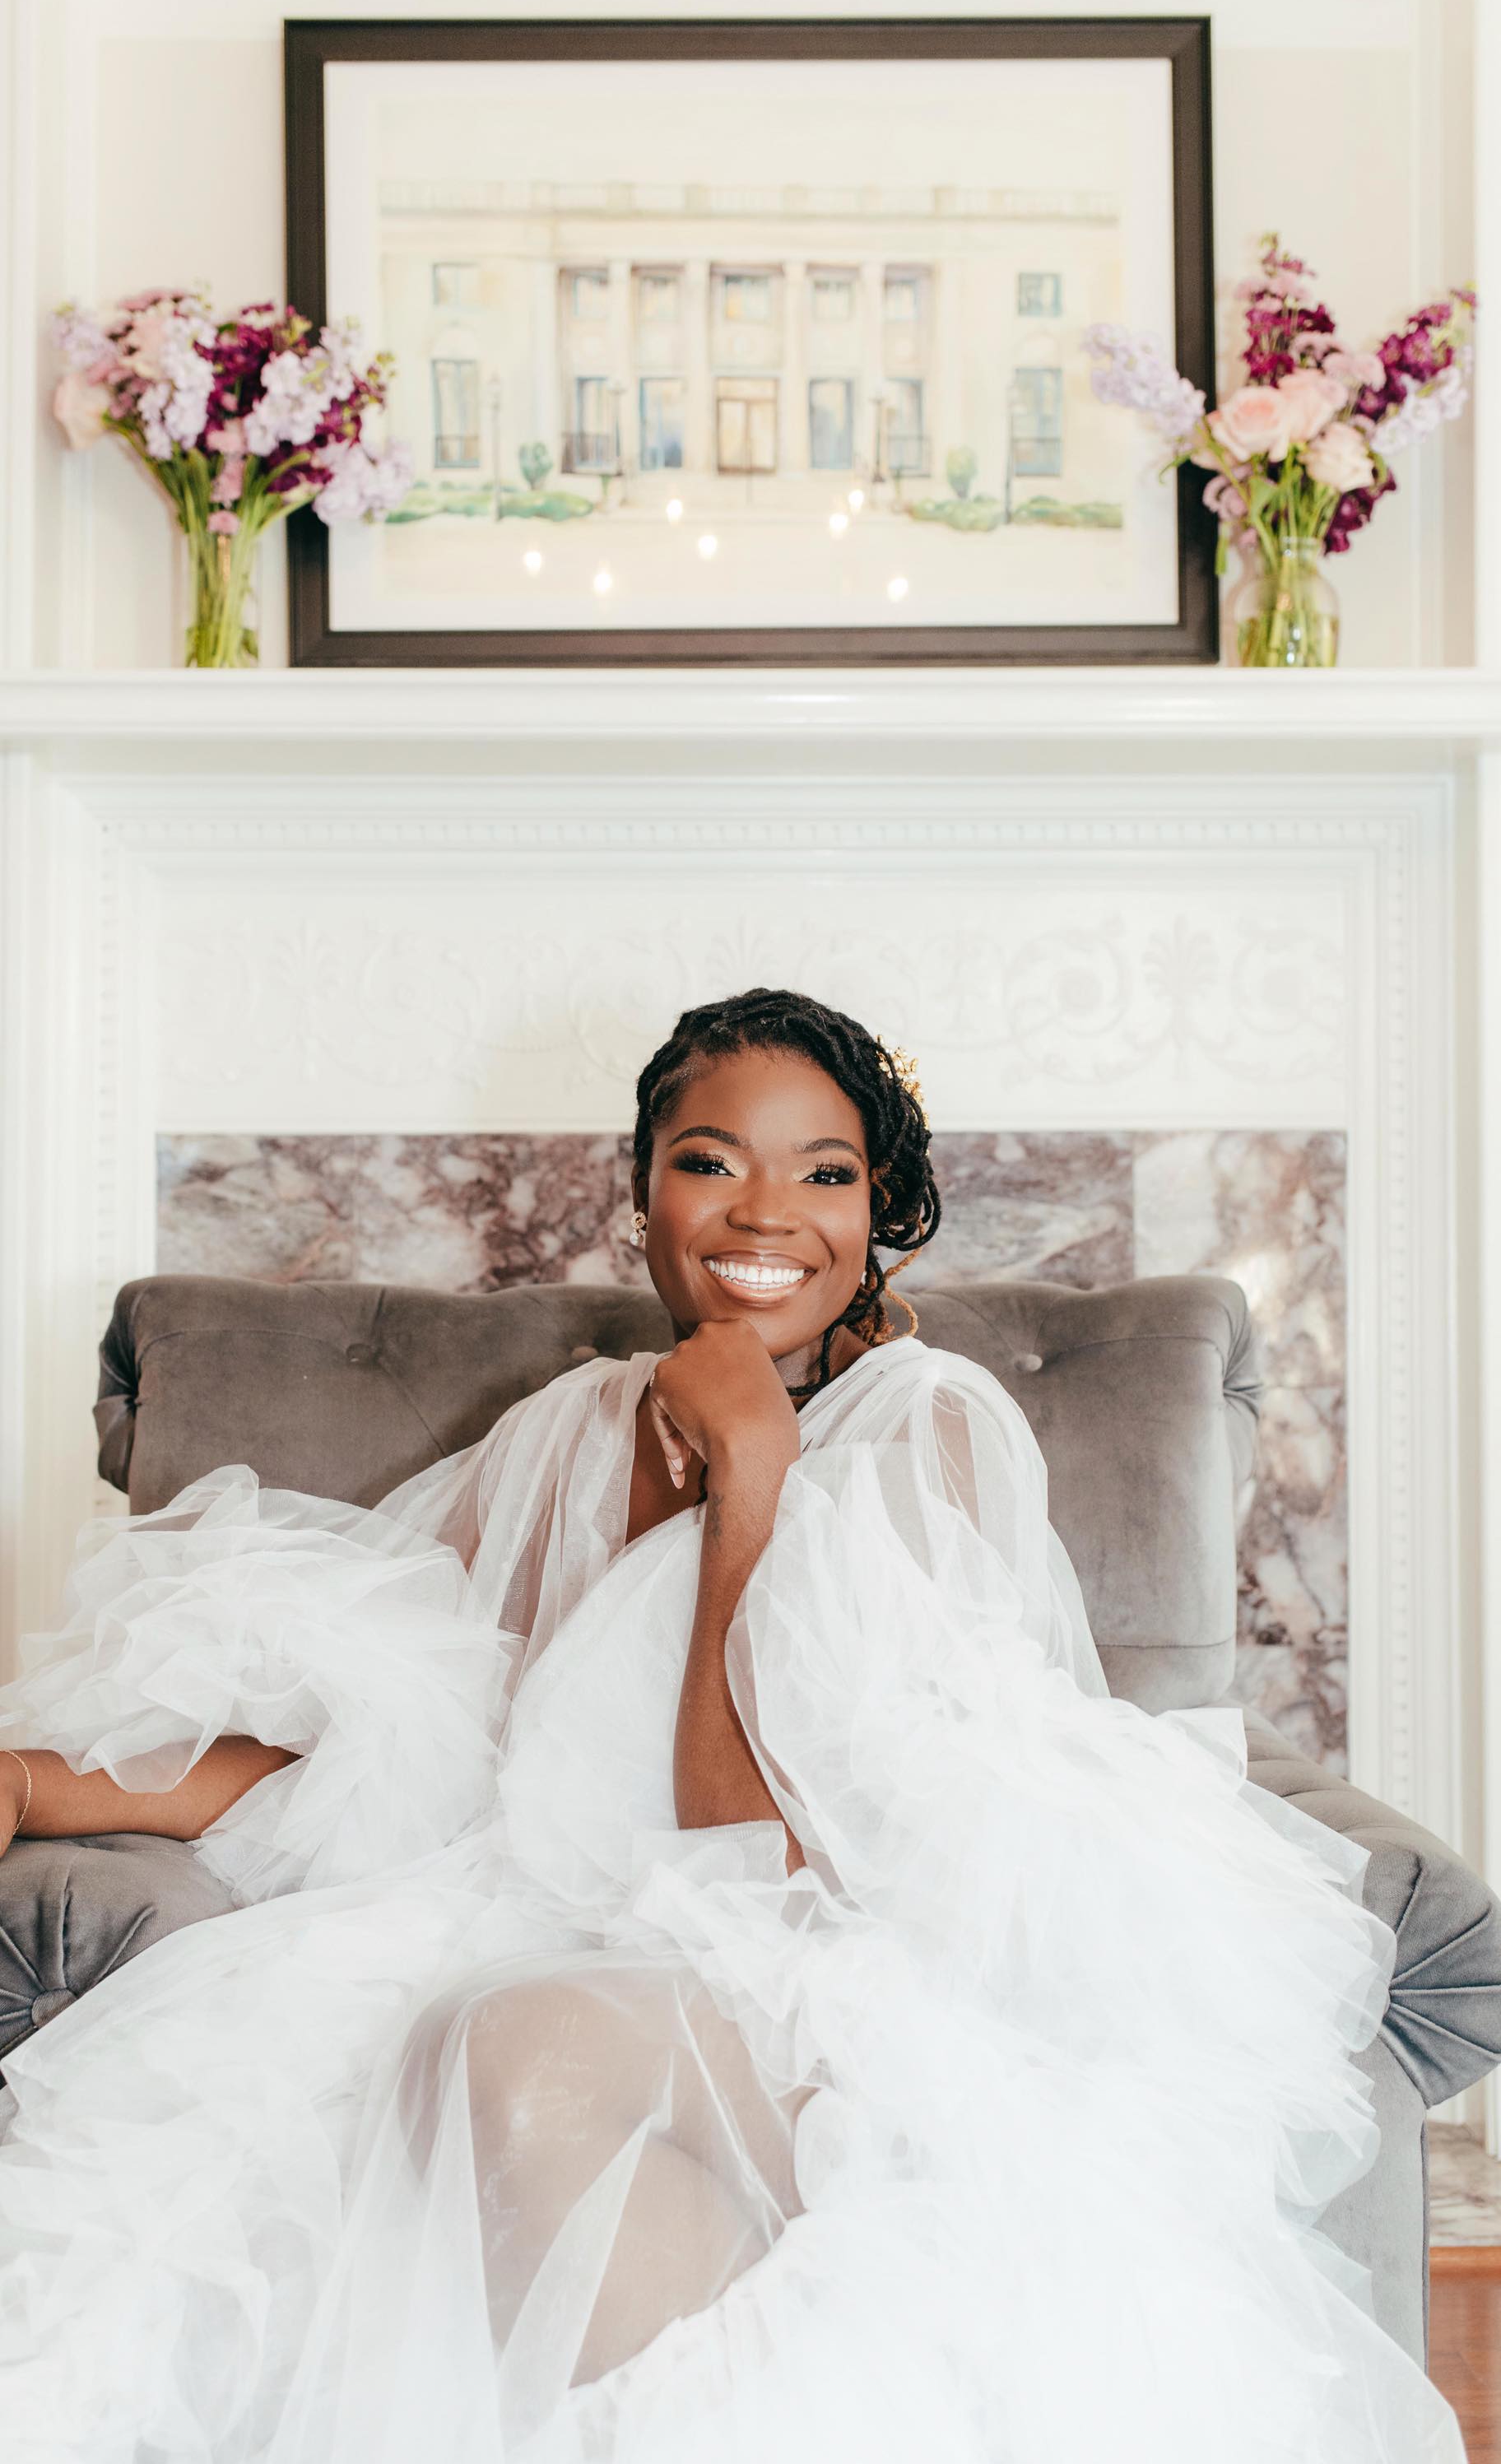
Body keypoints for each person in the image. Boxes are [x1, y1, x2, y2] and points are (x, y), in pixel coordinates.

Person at [0, 988, 1464, 2462]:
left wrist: (752, 1470)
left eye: (827, 1174)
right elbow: (402, 1716)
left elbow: (749, 1852)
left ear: (878, 1207)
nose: (771, 1213)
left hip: (835, 1981)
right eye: (715, 1161)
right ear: (641, 1190)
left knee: (511, 2052)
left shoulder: (931, 1427)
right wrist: (33, 1783)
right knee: (300, 2105)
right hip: (555, 1922)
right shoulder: (571, 1428)